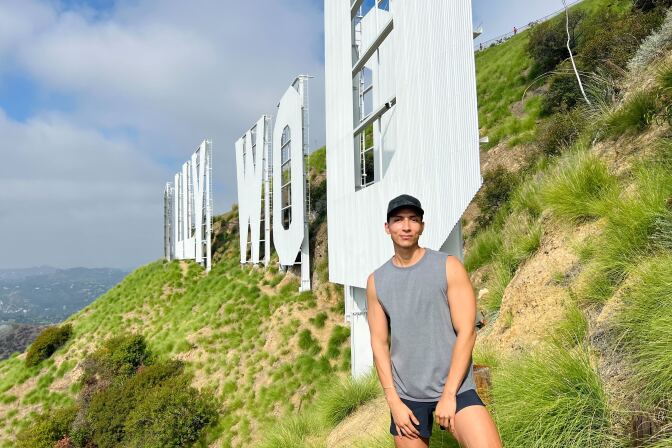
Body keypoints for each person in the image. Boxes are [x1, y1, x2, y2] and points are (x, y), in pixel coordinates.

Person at [366, 194, 502, 448]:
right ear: (387, 227)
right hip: (407, 396)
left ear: (422, 226)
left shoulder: (448, 266)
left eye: (413, 220)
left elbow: (467, 332)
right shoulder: (376, 282)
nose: (406, 227)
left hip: (455, 387)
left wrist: (449, 394)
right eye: (398, 220)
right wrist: (394, 402)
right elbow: (379, 344)